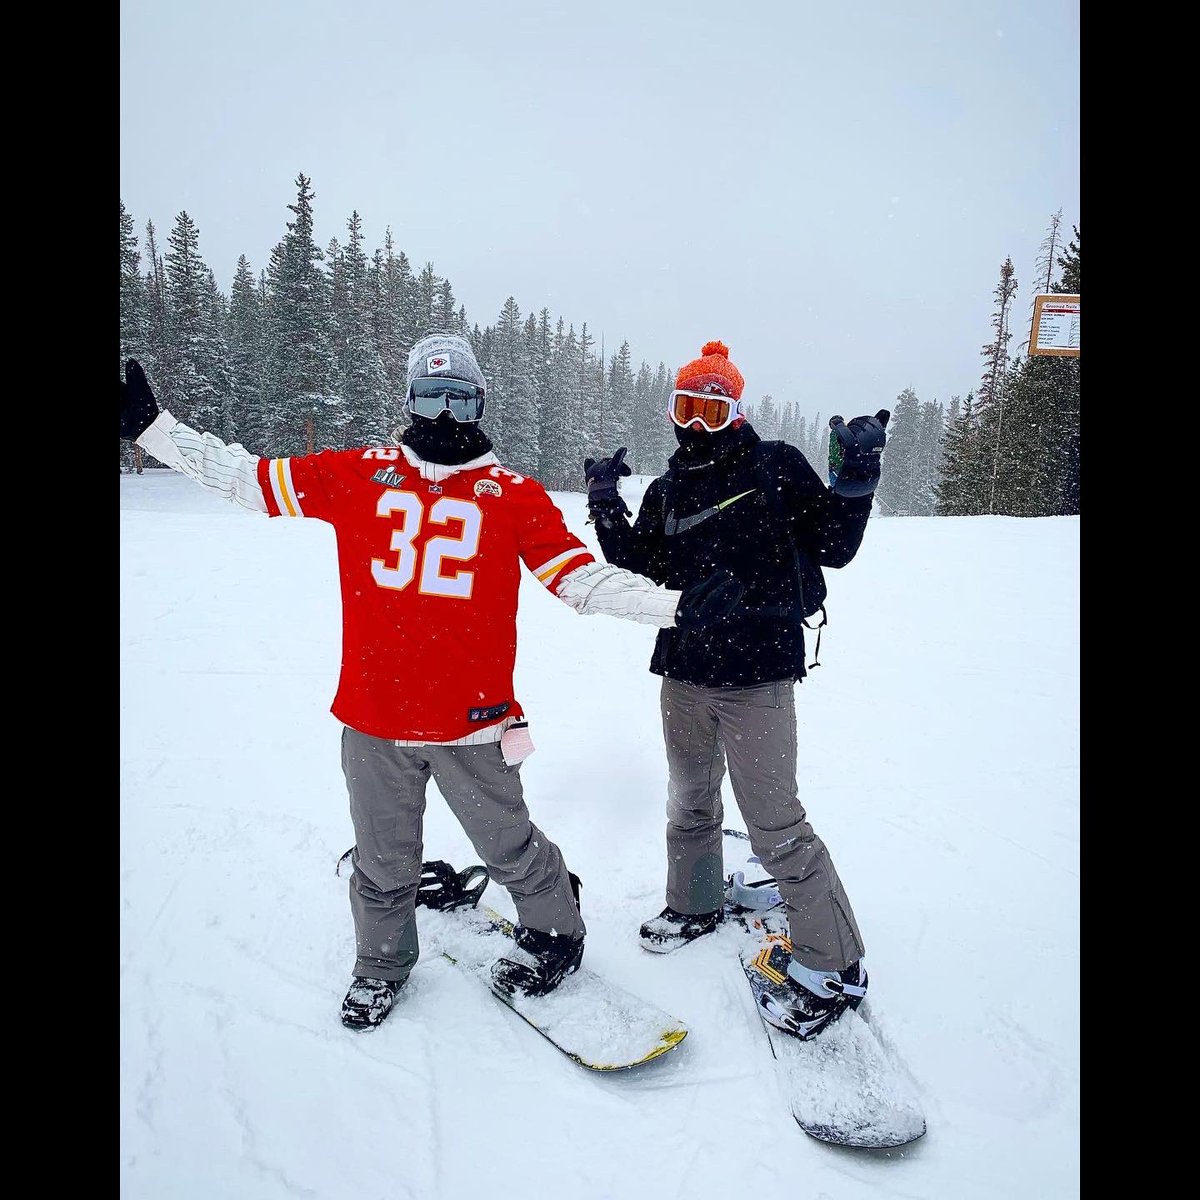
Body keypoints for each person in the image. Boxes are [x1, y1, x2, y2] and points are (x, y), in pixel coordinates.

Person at [119, 333, 744, 1032]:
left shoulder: (514, 495)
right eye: (430, 396)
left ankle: (556, 931)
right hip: (373, 720)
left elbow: (580, 579)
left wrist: (677, 606)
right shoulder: (359, 474)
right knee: (383, 860)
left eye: (460, 400)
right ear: (409, 400)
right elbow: (251, 480)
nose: (444, 415)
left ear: (480, 404)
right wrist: (155, 431)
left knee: (509, 848)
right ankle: (380, 965)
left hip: (472, 724)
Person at [582, 339, 889, 1041]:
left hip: (758, 676)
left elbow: (835, 547)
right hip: (684, 672)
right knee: (690, 800)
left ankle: (835, 963)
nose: (698, 424)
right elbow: (641, 563)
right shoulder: (667, 489)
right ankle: (693, 903)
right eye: (687, 407)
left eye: (713, 411)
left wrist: (856, 483)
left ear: (737, 412)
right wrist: (604, 505)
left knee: (775, 822)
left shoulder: (775, 465)